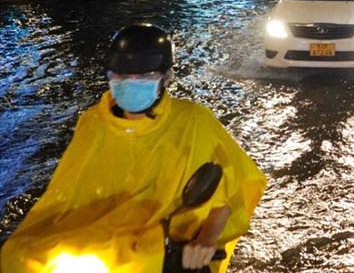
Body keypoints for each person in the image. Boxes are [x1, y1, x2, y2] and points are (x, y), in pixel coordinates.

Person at [1, 24, 267, 272]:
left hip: (164, 250)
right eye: (121, 75)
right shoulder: (92, 122)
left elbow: (224, 197)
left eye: (143, 76)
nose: (130, 81)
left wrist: (205, 240)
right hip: (96, 245)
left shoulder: (194, 122)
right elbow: (68, 193)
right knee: (17, 254)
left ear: (166, 77)